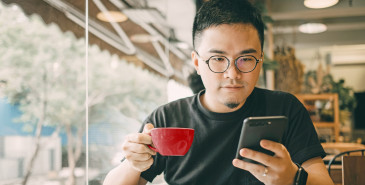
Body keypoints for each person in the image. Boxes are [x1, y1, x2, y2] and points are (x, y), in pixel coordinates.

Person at [103, 0, 334, 184]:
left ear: (260, 60)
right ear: (196, 62)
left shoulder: (285, 108)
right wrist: (133, 164)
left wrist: (294, 179)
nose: (232, 73)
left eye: (245, 59)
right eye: (217, 59)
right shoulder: (167, 120)